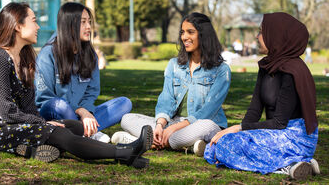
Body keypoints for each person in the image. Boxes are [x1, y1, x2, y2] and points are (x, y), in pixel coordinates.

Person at [0, 2, 152, 168]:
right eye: (34, 21)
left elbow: (28, 107)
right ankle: (125, 153)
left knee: (73, 127)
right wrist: (44, 123)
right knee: (60, 133)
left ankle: (32, 150)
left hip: (18, 125)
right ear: (17, 26)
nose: (38, 27)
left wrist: (45, 122)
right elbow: (7, 112)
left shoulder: (25, 59)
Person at [205, 12, 320, 179]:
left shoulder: (292, 71)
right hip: (273, 132)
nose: (257, 36)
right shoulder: (267, 66)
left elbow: (280, 122)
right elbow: (254, 110)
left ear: (276, 36)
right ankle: (296, 163)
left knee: (227, 145)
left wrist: (239, 128)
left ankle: (291, 165)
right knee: (224, 142)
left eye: (261, 32)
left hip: (295, 136)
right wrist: (238, 130)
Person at [111, 12, 231, 157]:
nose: (184, 37)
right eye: (182, 32)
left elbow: (208, 111)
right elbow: (166, 98)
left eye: (190, 32)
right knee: (127, 119)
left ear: (203, 35)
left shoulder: (221, 70)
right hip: (174, 123)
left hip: (203, 124)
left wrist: (173, 129)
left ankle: (139, 141)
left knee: (206, 126)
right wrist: (161, 126)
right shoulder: (174, 65)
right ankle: (188, 145)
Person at [34, 2, 132, 143]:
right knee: (59, 105)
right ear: (69, 25)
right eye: (83, 22)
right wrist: (80, 110)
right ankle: (88, 132)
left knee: (124, 103)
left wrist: (86, 112)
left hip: (81, 115)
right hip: (54, 113)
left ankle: (82, 132)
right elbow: (45, 99)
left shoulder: (90, 54)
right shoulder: (47, 54)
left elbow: (91, 92)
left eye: (89, 22)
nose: (88, 27)